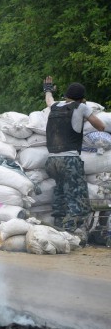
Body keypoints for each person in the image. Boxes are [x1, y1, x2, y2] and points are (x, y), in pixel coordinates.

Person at [43, 76, 107, 238]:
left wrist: (48, 89)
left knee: (60, 191)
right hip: (69, 160)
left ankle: (58, 225)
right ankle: (69, 231)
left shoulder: (55, 106)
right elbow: (101, 126)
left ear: (66, 96)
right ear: (82, 98)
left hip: (51, 161)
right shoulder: (81, 107)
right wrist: (85, 113)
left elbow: (48, 99)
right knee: (76, 196)